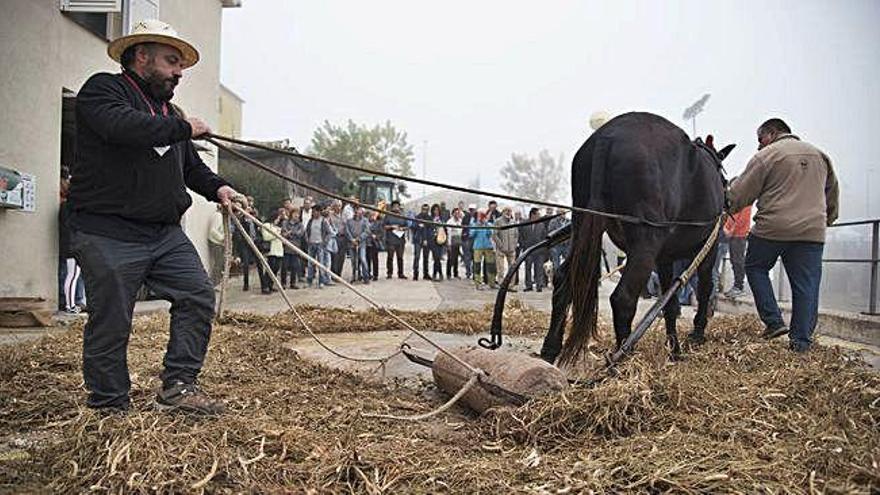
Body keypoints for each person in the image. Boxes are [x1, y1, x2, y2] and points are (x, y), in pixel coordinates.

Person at [67, 20, 244, 414]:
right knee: (112, 318)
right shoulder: (104, 90)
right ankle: (109, 404)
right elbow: (123, 128)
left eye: (180, 65)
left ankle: (179, 386)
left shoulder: (168, 113)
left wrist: (220, 189)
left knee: (197, 295)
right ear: (141, 56)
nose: (179, 72)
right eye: (171, 62)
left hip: (164, 233)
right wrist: (181, 127)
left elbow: (191, 168)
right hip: (106, 229)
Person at [727, 118, 839, 352]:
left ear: (772, 133)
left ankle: (774, 321)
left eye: (760, 139)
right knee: (806, 286)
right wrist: (825, 221)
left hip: (772, 229)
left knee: (755, 267)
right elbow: (832, 194)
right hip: (811, 233)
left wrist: (726, 205)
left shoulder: (766, 157)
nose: (759, 146)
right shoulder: (820, 155)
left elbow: (739, 196)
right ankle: (801, 343)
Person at [724, 205, 752, 298]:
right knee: (734, 260)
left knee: (737, 260)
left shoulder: (745, 202)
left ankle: (739, 286)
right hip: (734, 235)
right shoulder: (739, 201)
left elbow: (741, 219)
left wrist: (730, 230)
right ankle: (737, 285)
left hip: (739, 235)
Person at [519, 208, 548, 292]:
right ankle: (529, 285)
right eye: (538, 214)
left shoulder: (541, 225)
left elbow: (544, 237)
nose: (539, 216)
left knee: (539, 269)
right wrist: (523, 245)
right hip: (528, 250)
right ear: (533, 215)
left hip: (539, 251)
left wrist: (544, 248)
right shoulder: (524, 224)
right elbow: (520, 236)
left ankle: (539, 285)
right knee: (527, 268)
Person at [305, 207, 332, 288]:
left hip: (320, 244)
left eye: (315, 211)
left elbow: (329, 233)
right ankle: (309, 280)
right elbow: (307, 231)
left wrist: (324, 242)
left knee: (321, 264)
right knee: (310, 263)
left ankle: (321, 281)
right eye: (313, 212)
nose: (314, 213)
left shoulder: (324, 221)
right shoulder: (310, 221)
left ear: (319, 212)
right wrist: (307, 239)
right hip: (311, 244)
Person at [493, 207, 518, 288]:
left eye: (510, 211)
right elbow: (494, 235)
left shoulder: (513, 222)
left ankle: (511, 285)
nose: (508, 213)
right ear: (503, 212)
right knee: (500, 268)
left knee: (512, 268)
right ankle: (501, 284)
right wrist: (500, 245)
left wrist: (514, 245)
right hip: (501, 249)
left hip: (511, 249)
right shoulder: (498, 221)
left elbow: (516, 235)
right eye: (506, 211)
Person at [470, 210, 496, 290]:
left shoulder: (489, 224)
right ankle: (478, 283)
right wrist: (477, 226)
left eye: (482, 216)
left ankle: (492, 283)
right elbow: (471, 234)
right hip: (478, 246)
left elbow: (490, 234)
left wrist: (486, 224)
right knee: (477, 265)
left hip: (488, 246)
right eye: (480, 216)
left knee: (491, 265)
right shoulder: (474, 224)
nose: (481, 218)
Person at [261, 209, 286, 292]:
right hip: (271, 250)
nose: (278, 220)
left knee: (276, 269)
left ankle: (271, 284)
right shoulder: (266, 225)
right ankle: (265, 286)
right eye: (277, 218)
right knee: (270, 269)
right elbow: (266, 237)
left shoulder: (277, 227)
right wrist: (276, 235)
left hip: (279, 250)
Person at [383, 200, 408, 279]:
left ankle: (400, 273)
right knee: (390, 257)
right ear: (392, 207)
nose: (396, 208)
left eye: (397, 206)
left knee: (400, 257)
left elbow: (407, 226)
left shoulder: (402, 215)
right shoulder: (388, 215)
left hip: (400, 239)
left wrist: (402, 228)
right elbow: (384, 226)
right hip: (391, 239)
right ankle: (389, 273)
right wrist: (391, 226)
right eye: (394, 206)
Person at [346, 207, 371, 284]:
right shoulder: (349, 221)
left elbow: (367, 231)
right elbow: (347, 231)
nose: (357, 213)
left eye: (359, 211)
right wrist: (352, 240)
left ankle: (366, 277)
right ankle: (355, 276)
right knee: (353, 261)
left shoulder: (365, 221)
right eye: (356, 211)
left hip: (361, 244)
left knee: (363, 259)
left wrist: (359, 239)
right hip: (351, 244)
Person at [281, 206, 303, 289]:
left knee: (295, 266)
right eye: (295, 214)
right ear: (291, 214)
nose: (296, 215)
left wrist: (290, 233)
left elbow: (300, 234)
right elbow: (283, 234)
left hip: (296, 248)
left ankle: (293, 283)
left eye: (298, 214)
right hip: (286, 248)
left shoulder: (300, 224)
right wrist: (290, 234)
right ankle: (283, 283)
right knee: (284, 266)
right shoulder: (285, 223)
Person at [207, 204, 227, 286]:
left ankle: (216, 282)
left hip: (218, 243)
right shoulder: (218, 216)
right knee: (218, 264)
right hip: (216, 243)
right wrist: (223, 238)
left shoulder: (219, 216)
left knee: (220, 263)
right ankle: (213, 284)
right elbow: (213, 230)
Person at [411, 204, 432, 280]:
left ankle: (426, 274)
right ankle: (415, 273)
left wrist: (427, 239)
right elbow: (412, 227)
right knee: (417, 257)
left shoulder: (429, 218)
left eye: (426, 209)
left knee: (426, 258)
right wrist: (418, 225)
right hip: (418, 239)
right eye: (423, 209)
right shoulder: (417, 217)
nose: (425, 211)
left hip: (427, 240)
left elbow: (431, 228)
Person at [428, 204, 446, 281]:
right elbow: (428, 229)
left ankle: (436, 274)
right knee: (436, 258)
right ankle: (438, 274)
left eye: (437, 210)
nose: (436, 212)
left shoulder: (442, 219)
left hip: (441, 239)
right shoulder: (430, 219)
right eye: (435, 210)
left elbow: (445, 229)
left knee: (438, 257)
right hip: (433, 240)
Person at [445, 208, 464, 279]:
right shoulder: (450, 222)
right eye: (455, 213)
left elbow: (461, 232)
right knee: (450, 258)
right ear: (452, 214)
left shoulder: (460, 221)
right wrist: (449, 243)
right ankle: (448, 274)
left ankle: (455, 273)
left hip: (458, 241)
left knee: (456, 258)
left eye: (458, 213)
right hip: (452, 241)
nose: (457, 214)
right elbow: (449, 233)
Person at [366, 211, 384, 281]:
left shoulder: (379, 223)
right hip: (367, 242)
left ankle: (375, 275)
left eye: (374, 215)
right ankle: (368, 273)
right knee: (367, 259)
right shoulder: (365, 222)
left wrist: (376, 236)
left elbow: (382, 233)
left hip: (374, 243)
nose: (372, 216)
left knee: (375, 259)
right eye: (371, 215)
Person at [461, 204, 476, 279]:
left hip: (475, 239)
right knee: (467, 256)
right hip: (467, 238)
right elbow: (463, 226)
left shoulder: (477, 218)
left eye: (473, 210)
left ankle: (474, 272)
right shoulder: (466, 217)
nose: (472, 211)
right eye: (470, 210)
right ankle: (468, 272)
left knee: (475, 256)